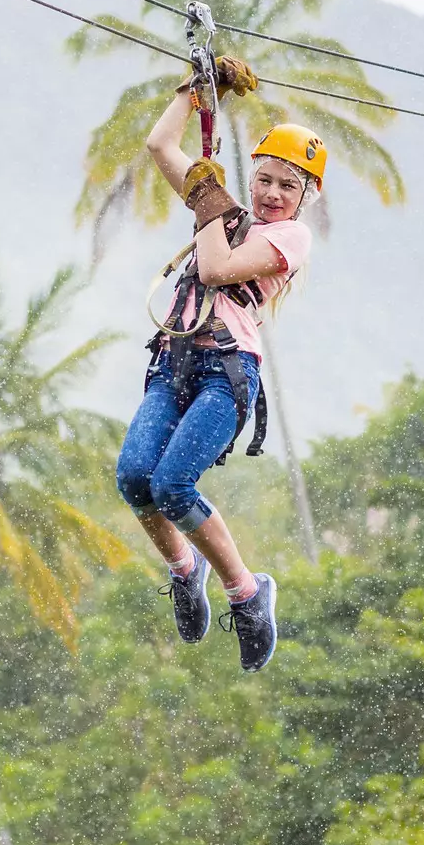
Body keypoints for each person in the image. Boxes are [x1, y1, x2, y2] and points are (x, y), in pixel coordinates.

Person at [115, 61, 322, 671]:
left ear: (306, 196)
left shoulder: (289, 240)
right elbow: (160, 145)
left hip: (225, 375)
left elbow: (213, 270)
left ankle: (247, 594)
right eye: (264, 180)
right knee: (134, 479)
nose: (272, 194)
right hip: (174, 363)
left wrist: (208, 201)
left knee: (173, 486)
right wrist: (198, 89)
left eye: (288, 186)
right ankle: (186, 569)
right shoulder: (228, 211)